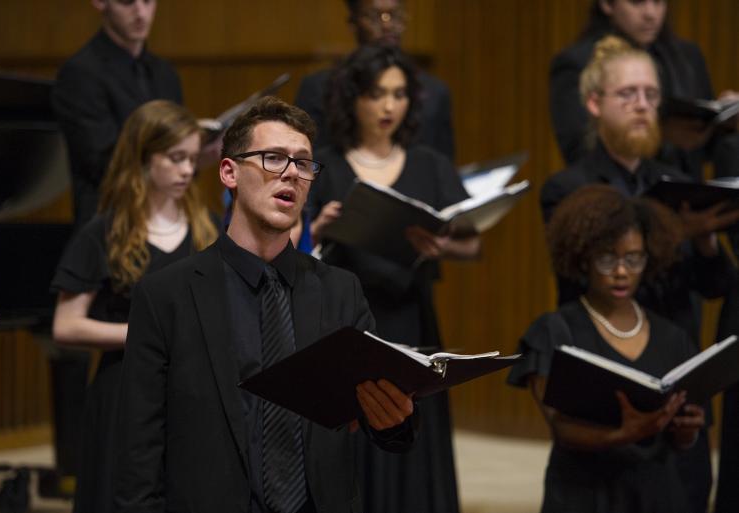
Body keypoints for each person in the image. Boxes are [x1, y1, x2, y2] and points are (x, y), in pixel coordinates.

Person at [112, 96, 417, 513]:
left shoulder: (341, 291)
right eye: (273, 158)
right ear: (229, 172)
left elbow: (379, 421)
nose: (291, 173)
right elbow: (138, 450)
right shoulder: (167, 296)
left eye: (303, 163)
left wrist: (395, 419)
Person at [541, 35, 739, 513]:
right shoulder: (569, 187)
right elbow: (575, 278)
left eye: (651, 95)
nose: (642, 105)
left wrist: (704, 239)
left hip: (676, 361)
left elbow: (715, 287)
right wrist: (671, 233)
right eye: (627, 94)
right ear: (593, 102)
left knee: (685, 492)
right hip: (607, 366)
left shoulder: (675, 179)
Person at [308, 45, 479, 513]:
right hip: (346, 323)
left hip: (410, 317)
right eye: (376, 94)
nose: (388, 106)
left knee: (409, 428)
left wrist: (443, 247)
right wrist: (317, 229)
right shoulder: (324, 163)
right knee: (355, 430)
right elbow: (295, 251)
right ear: (353, 99)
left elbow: (472, 243)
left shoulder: (429, 164)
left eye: (399, 94)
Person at [50, 100, 218, 513]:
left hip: (191, 391)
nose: (186, 171)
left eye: (193, 160)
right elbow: (66, 326)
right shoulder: (104, 231)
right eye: (176, 158)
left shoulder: (207, 227)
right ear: (144, 156)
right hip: (123, 391)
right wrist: (145, 334)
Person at [509, 184, 705, 513]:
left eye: (633, 258)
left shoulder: (673, 337)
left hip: (656, 494)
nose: (621, 271)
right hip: (583, 494)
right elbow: (561, 428)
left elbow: (682, 442)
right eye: (607, 259)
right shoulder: (554, 332)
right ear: (583, 258)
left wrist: (688, 432)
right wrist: (622, 434)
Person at [549, 0, 739, 181]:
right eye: (637, 2)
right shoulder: (578, 63)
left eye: (658, 2)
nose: (651, 14)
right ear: (607, 4)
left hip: (688, 193)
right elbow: (579, 150)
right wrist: (659, 133)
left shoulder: (687, 56)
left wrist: (724, 123)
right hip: (622, 193)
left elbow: (707, 149)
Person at [52, 0, 182, 228]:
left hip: (165, 219)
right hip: (110, 225)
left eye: (148, 1)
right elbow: (104, 165)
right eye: (127, 2)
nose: (141, 13)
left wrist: (197, 154)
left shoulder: (165, 73)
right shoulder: (80, 74)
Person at [295, 0, 455, 160]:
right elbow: (305, 161)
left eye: (395, 15)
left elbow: (444, 168)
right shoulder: (318, 88)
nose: (387, 25)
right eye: (374, 16)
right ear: (353, 23)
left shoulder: (435, 91)